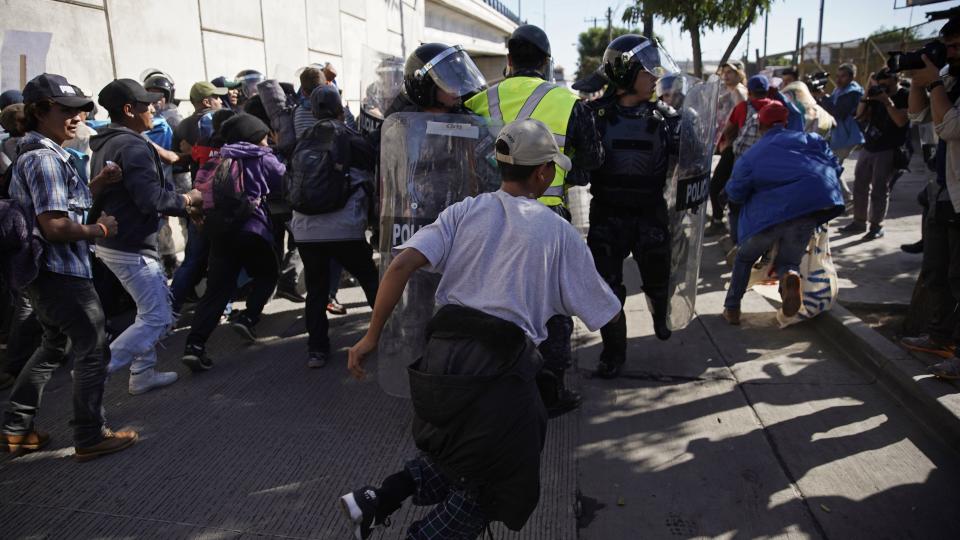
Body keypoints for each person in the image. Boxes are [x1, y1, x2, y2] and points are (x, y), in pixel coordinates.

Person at [341, 118, 620, 540]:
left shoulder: (464, 211)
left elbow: (399, 265)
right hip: (499, 367)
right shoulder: (556, 231)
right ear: (543, 172)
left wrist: (370, 337)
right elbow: (601, 310)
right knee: (494, 483)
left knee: (457, 453)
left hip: (441, 359)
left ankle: (379, 499)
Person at [465, 23, 604, 415]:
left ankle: (493, 381)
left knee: (492, 301)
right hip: (546, 218)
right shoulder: (568, 102)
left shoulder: (478, 101)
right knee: (552, 307)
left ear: (509, 60)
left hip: (487, 217)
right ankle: (549, 391)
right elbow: (591, 162)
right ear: (545, 63)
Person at [1, 73, 138, 460]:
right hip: (61, 274)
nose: (78, 117)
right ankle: (90, 435)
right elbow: (56, 226)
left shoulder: (41, 154)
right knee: (94, 350)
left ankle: (16, 428)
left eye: (82, 109)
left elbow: (59, 205)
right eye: (68, 110)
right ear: (40, 112)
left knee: (52, 344)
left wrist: (97, 183)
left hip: (46, 273)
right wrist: (100, 228)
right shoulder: (44, 159)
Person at [90, 79, 203, 394]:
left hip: (117, 242)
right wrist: (190, 199)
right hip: (130, 245)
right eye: (146, 104)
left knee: (148, 309)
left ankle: (142, 372)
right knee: (158, 317)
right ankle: (97, 373)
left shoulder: (109, 142)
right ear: (129, 110)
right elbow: (152, 199)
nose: (154, 108)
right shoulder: (132, 145)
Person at [586, 34, 681, 379]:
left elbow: (689, 165)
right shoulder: (593, 115)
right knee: (607, 290)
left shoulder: (668, 118)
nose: (656, 76)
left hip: (650, 213)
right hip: (608, 214)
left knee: (657, 277)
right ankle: (614, 352)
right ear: (625, 73)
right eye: (647, 70)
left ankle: (660, 312)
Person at [721, 101, 844, 324]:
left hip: (767, 218)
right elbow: (835, 165)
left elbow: (736, 191)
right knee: (789, 261)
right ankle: (790, 277)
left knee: (745, 258)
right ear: (786, 122)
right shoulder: (811, 140)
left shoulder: (753, 154)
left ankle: (732, 309)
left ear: (760, 126)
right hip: (807, 211)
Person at [181, 113, 284, 371]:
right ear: (253, 136)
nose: (266, 140)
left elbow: (200, 192)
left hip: (219, 232)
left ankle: (195, 344)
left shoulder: (216, 158)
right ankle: (249, 317)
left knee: (216, 291)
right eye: (263, 135)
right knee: (268, 273)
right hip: (253, 230)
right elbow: (282, 181)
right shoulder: (261, 157)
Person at [288, 85, 379, 368]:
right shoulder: (350, 137)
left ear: (314, 112)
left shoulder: (302, 140)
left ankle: (316, 349)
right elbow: (372, 173)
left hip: (305, 228)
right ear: (341, 110)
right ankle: (390, 335)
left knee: (316, 288)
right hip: (344, 226)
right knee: (370, 279)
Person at [903, 17, 960, 379]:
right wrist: (916, 81)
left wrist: (935, 80)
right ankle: (939, 337)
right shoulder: (951, 79)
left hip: (958, 193)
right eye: (947, 46)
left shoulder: (946, 80)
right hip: (942, 189)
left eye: (957, 46)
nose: (950, 53)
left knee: (959, 277)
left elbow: (952, 127)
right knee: (937, 272)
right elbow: (917, 115)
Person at [839, 68, 909, 240]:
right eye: (879, 82)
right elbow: (860, 116)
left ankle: (877, 226)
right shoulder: (876, 94)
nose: (882, 85)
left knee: (879, 188)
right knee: (860, 186)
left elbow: (901, 121)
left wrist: (886, 101)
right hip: (869, 146)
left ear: (895, 78)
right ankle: (859, 221)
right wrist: (867, 92)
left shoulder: (904, 94)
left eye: (884, 82)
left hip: (889, 148)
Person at [707, 60, 748, 233]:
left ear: (739, 73)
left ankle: (718, 222)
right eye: (724, 72)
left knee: (716, 185)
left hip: (734, 146)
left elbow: (742, 121)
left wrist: (729, 141)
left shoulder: (739, 91)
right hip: (728, 145)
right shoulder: (730, 91)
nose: (726, 75)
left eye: (730, 72)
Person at [816, 63, 865, 199]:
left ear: (851, 77)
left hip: (847, 136)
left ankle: (847, 197)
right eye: (837, 76)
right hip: (839, 136)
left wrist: (823, 97)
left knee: (831, 166)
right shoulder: (839, 90)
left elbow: (838, 112)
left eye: (842, 76)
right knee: (832, 165)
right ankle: (846, 196)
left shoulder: (853, 92)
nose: (838, 79)